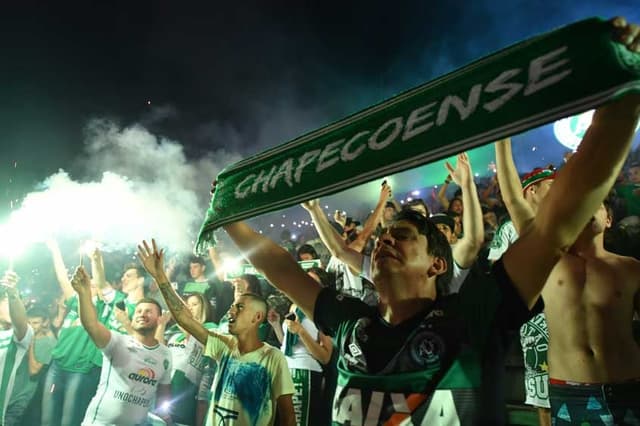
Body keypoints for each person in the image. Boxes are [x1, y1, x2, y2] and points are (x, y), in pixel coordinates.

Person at [216, 19, 640, 424]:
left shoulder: (474, 318)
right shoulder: (349, 323)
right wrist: (230, 216)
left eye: (400, 235)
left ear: (438, 264)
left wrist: (623, 101)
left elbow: (555, 225)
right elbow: (281, 269)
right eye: (382, 235)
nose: (382, 241)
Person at [496, 93, 640, 426]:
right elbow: (514, 201)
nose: (592, 208)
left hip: (630, 388)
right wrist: (500, 138)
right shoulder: (549, 260)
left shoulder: (631, 268)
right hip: (569, 392)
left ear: (609, 221)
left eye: (600, 206)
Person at [137, 241, 296, 426]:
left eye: (239, 308)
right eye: (232, 307)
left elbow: (288, 414)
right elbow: (185, 319)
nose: (231, 311)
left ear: (257, 317)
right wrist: (160, 276)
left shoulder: (273, 357)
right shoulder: (224, 345)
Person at [70, 266, 173, 426]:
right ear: (132, 318)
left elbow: (164, 392)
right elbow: (91, 324)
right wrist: (83, 293)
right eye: (138, 311)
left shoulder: (165, 354)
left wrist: (164, 416)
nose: (142, 314)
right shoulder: (118, 342)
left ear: (159, 319)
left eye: (148, 312)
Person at [42, 242, 126, 426]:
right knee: (47, 420)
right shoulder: (75, 303)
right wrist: (55, 249)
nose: (91, 285)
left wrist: (96, 259)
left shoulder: (105, 309)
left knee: (69, 421)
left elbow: (101, 281)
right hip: (57, 366)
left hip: (82, 371)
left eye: (94, 284)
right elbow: (63, 279)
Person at [158, 292, 217, 426]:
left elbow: (197, 338)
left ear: (205, 308)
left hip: (188, 394)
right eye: (187, 305)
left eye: (194, 304)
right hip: (166, 390)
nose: (189, 308)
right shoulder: (175, 335)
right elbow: (159, 352)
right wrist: (161, 325)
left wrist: (183, 323)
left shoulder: (211, 328)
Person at [5, 306, 57, 426]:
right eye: (28, 322)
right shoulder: (18, 338)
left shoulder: (48, 344)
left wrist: (31, 344)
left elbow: (34, 370)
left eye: (36, 323)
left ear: (44, 322)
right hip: (8, 392)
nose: (31, 326)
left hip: (22, 396)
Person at [0, 271, 33, 426]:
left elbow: (19, 322)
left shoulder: (17, 335)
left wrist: (13, 293)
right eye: (7, 301)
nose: (13, 306)